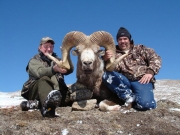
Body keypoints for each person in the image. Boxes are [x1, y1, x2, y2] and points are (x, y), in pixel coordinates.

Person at [102, 27, 162, 111]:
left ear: (129, 40)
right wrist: (104, 59)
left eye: (125, 39)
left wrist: (150, 72)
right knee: (106, 75)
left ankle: (137, 101)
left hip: (141, 81)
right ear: (117, 41)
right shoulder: (113, 53)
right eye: (120, 39)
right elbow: (105, 68)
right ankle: (129, 97)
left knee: (146, 105)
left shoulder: (140, 48)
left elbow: (155, 58)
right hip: (124, 81)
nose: (122, 41)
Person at [20, 37, 72, 117]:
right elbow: (40, 72)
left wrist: (66, 58)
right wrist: (54, 69)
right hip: (37, 90)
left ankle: (36, 104)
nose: (49, 49)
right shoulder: (34, 60)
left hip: (58, 93)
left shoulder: (58, 60)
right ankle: (48, 108)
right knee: (44, 79)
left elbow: (70, 70)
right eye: (46, 46)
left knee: (74, 90)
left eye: (51, 47)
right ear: (40, 47)